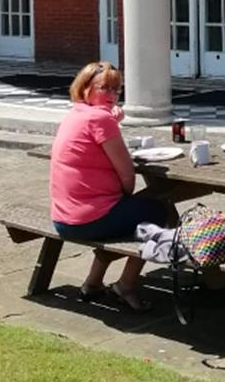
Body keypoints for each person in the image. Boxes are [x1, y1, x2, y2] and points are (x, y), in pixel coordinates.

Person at [49, 61, 168, 313]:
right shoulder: (101, 120)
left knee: (130, 214)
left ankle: (93, 283)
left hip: (62, 218)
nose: (113, 96)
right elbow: (127, 173)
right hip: (88, 220)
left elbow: (99, 123)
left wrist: (112, 116)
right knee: (160, 212)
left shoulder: (76, 114)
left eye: (117, 90)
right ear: (85, 88)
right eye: (105, 89)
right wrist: (126, 194)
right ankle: (126, 284)